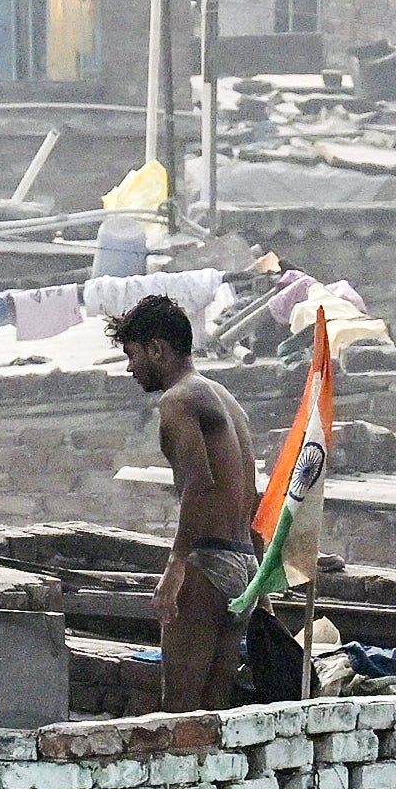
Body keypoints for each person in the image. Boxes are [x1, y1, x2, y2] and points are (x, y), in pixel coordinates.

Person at [119, 293, 261, 708]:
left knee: (178, 712)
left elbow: (199, 484)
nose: (130, 367)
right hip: (244, 563)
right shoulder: (225, 398)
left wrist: (174, 568)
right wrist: (261, 575)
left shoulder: (177, 399)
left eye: (133, 354)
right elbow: (251, 492)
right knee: (214, 714)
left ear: (157, 349)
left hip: (208, 562)